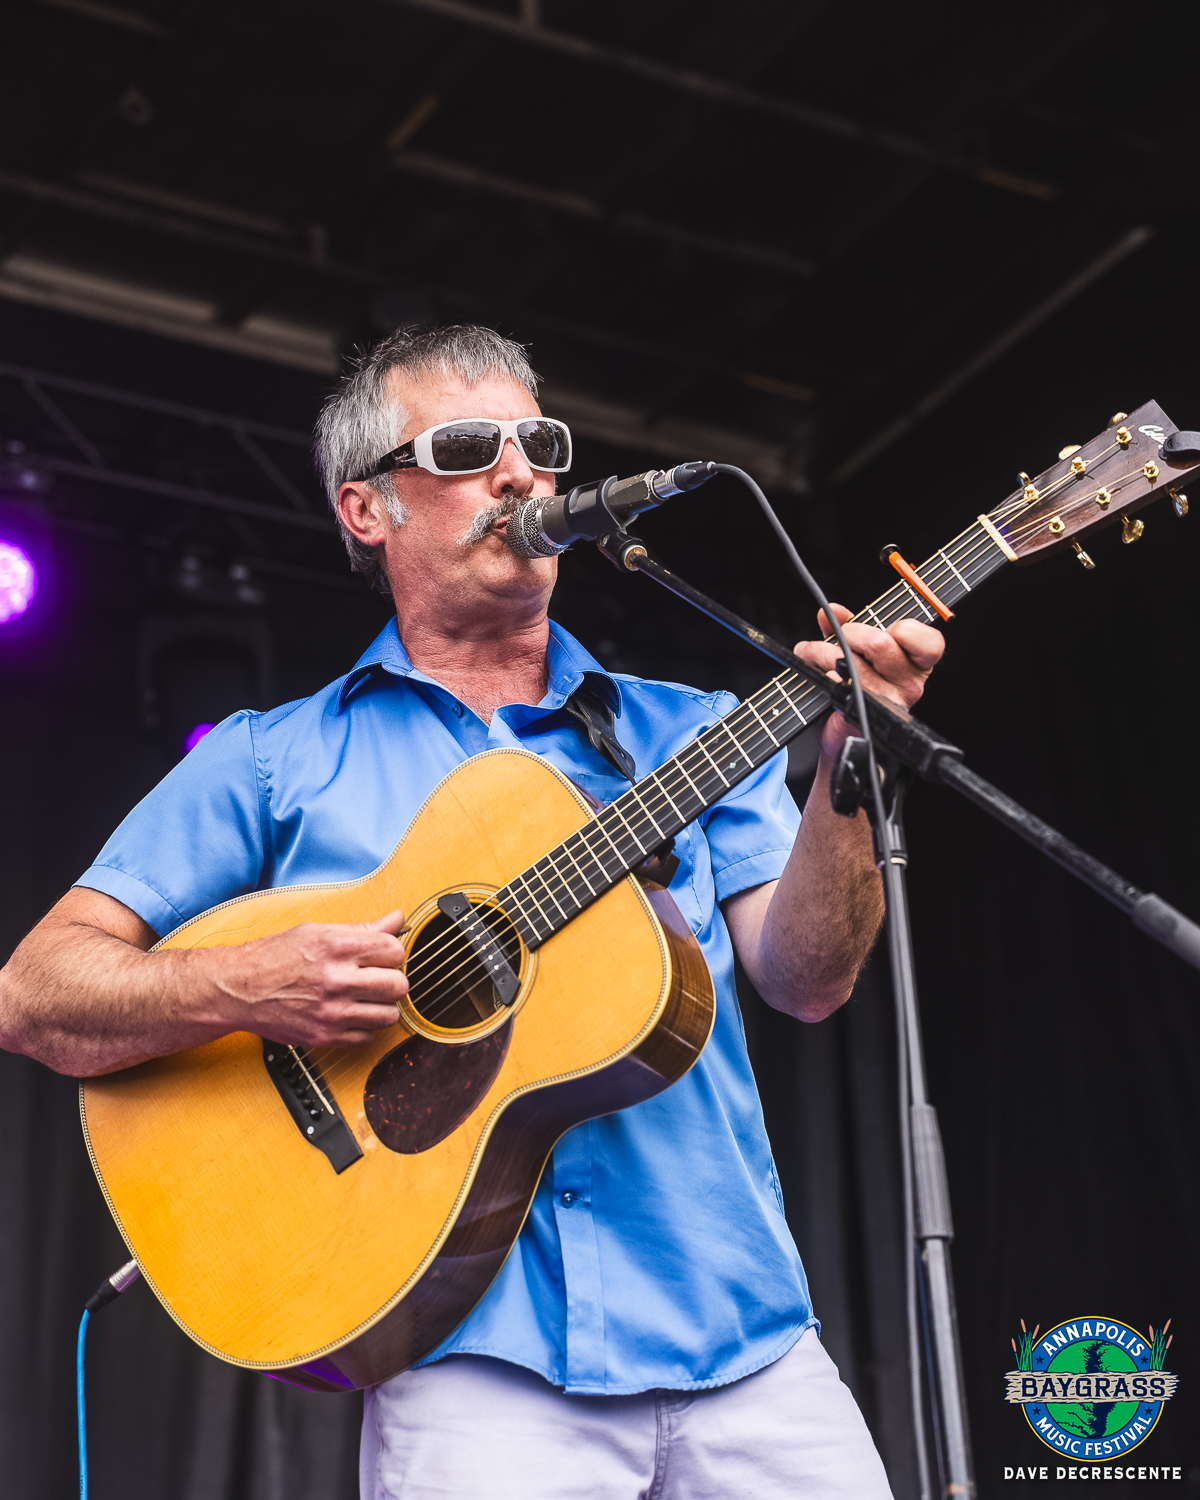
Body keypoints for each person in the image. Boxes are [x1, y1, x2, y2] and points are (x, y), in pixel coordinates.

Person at [0, 326, 943, 1498]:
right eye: (464, 447)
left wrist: (853, 761)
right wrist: (241, 985)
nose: (520, 474)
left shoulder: (687, 733)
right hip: (469, 1366)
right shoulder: (270, 763)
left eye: (539, 444)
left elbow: (810, 979)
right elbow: (34, 995)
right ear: (367, 510)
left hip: (742, 1337)